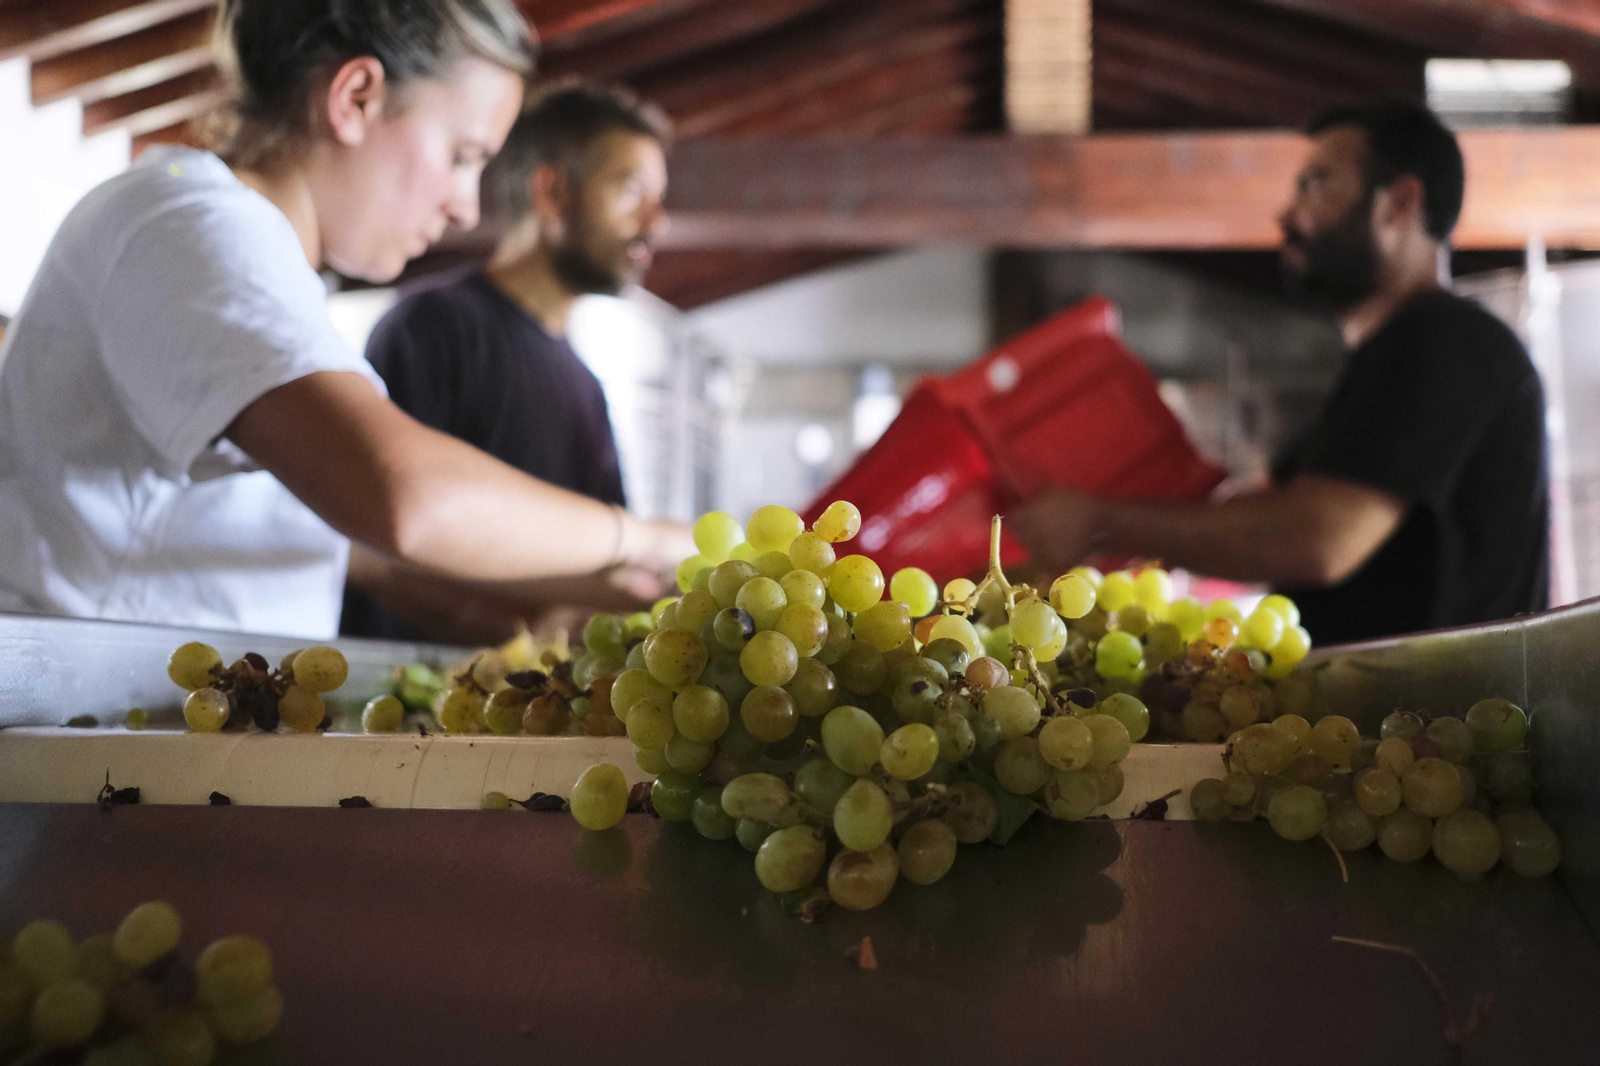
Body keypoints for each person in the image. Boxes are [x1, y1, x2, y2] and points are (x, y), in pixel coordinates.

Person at [0, 0, 689, 642]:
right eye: (462, 157)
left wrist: (616, 586)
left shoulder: (261, 262)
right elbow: (404, 497)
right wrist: (646, 540)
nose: (465, 209)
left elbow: (347, 546)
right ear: (355, 99)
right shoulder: (189, 224)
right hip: (89, 741)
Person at [1012, 101, 1548, 645]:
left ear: (1399, 203)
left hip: (1440, 723)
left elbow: (1318, 539)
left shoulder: (1445, 342)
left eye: (1315, 185)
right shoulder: (1395, 354)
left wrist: (1101, 521)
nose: (1287, 216)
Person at [341, 81, 671, 642]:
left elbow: (593, 569)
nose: (655, 221)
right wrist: (519, 638)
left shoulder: (586, 385)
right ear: (553, 192)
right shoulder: (432, 329)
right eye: (631, 188)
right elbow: (370, 548)